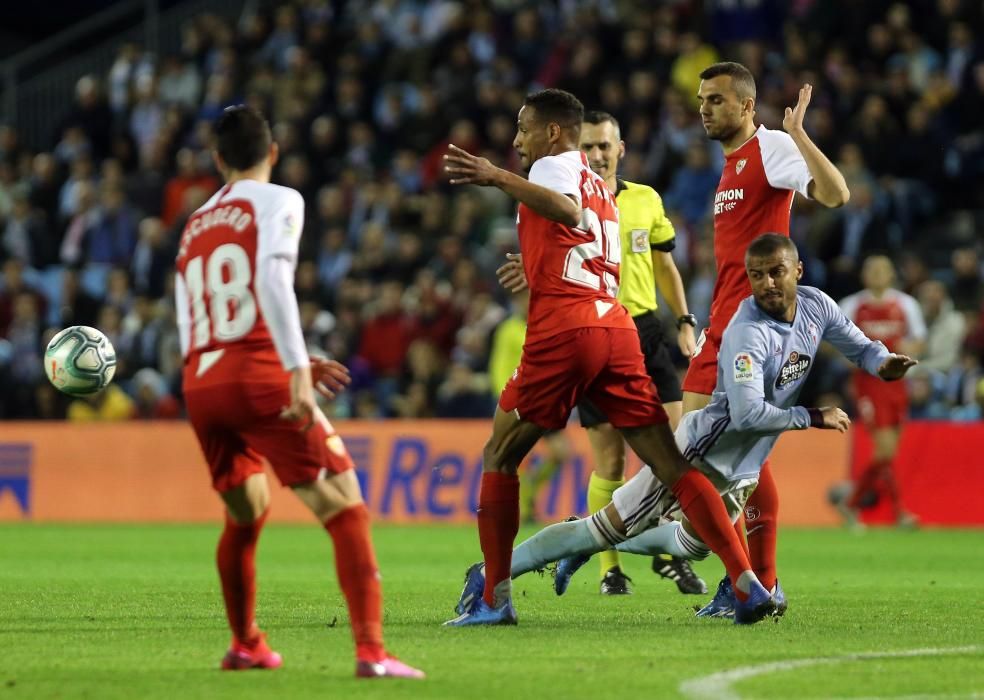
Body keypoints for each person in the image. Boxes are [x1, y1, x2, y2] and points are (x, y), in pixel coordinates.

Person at [453, 235, 917, 621]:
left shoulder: (817, 306)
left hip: (744, 465)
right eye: (757, 275)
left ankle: (592, 541)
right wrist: (813, 417)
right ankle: (493, 573)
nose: (767, 283)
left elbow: (857, 345)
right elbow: (747, 415)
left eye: (776, 272)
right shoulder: (746, 330)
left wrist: (882, 362)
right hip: (701, 452)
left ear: (798, 271)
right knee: (601, 530)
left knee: (690, 546)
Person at [442, 88, 771, 627]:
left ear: (552, 133)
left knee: (499, 454)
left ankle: (494, 598)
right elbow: (587, 248)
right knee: (671, 465)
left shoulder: (553, 169)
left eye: (523, 128)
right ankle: (745, 583)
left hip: (565, 331)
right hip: (614, 327)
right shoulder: (601, 185)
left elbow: (565, 213)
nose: (515, 140)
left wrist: (497, 176)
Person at [173, 106, 423, 679]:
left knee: (246, 513)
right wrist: (293, 370)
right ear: (274, 152)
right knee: (346, 508)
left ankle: (246, 644)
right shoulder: (281, 199)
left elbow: (191, 313)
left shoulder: (196, 223)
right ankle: (373, 653)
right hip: (261, 377)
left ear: (217, 160)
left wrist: (228, 371)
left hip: (202, 381)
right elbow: (270, 279)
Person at [497, 110, 704, 596]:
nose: (596, 155)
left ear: (621, 148)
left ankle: (668, 552)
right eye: (588, 147)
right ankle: (609, 567)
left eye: (604, 146)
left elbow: (665, 264)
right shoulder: (569, 196)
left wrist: (685, 319)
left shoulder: (645, 200)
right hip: (600, 331)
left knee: (675, 450)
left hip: (646, 331)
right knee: (610, 461)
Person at [686, 62, 851, 614]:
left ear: (747, 106)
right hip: (723, 328)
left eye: (715, 99)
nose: (704, 108)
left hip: (749, 334)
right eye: (702, 99)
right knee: (736, 462)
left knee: (694, 461)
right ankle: (754, 582)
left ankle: (748, 583)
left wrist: (800, 136)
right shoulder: (731, 166)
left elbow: (835, 194)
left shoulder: (772, 148)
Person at [830, 256, 926, 528]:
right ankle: (895, 512)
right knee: (884, 449)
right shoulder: (851, 304)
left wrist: (903, 358)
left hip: (898, 385)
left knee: (888, 453)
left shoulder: (906, 304)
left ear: (891, 274)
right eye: (871, 268)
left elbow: (919, 340)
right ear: (863, 274)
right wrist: (854, 361)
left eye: (882, 269)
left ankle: (855, 507)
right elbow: (831, 340)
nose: (876, 273)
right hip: (868, 385)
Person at [487, 289, 572, 524]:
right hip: (518, 399)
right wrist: (504, 399)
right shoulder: (509, 330)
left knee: (561, 453)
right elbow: (499, 366)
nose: (528, 303)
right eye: (523, 298)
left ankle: (528, 494)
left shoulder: (544, 327)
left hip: (545, 399)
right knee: (514, 455)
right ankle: (519, 508)